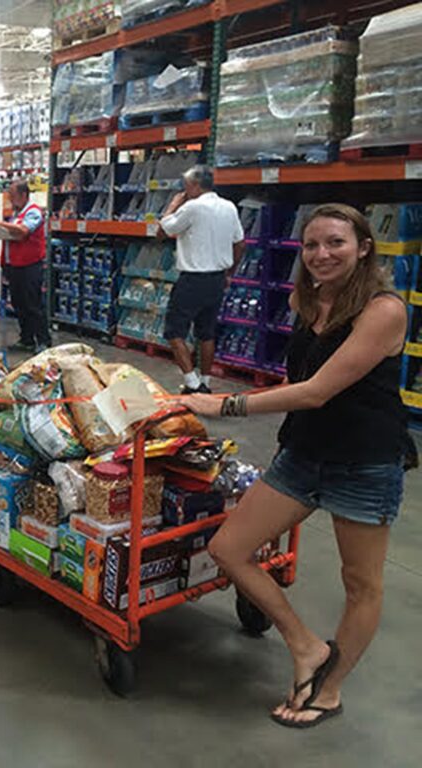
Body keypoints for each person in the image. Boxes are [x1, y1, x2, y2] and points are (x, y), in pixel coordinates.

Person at [183, 203, 411, 729]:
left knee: (361, 583)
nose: (321, 254)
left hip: (365, 462)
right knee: (228, 548)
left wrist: (225, 404)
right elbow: (303, 380)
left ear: (363, 248)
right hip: (303, 453)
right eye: (311, 245)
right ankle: (307, 646)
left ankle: (327, 691)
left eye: (336, 242)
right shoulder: (306, 301)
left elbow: (316, 391)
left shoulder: (384, 310)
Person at [158, 165, 245, 394]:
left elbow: (166, 228)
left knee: (174, 331)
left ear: (195, 185)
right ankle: (206, 381)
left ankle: (193, 384)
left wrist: (173, 205)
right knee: (206, 333)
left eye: (186, 185)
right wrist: (230, 273)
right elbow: (240, 243)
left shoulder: (193, 207)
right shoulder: (229, 207)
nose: (184, 190)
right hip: (217, 279)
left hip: (192, 280)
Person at [0, 179, 50, 353]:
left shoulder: (33, 212)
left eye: (12, 195)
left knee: (33, 304)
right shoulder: (16, 214)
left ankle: (43, 340)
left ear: (23, 195)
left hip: (29, 266)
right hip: (14, 265)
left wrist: (1, 225)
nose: (10, 198)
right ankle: (27, 339)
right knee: (19, 303)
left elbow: (23, 231)